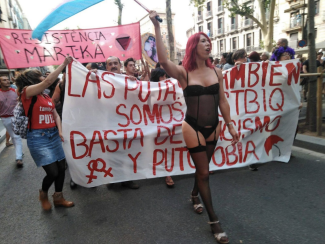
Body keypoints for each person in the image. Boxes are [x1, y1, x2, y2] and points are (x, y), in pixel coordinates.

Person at [149, 10, 239, 244]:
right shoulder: (183, 73)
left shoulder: (217, 71)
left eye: (209, 41)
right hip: (192, 128)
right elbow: (163, 60)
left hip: (215, 127)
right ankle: (214, 221)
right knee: (205, 173)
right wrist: (157, 27)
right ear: (193, 46)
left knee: (203, 169)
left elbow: (223, 101)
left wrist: (230, 125)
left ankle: (193, 194)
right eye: (203, 41)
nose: (208, 44)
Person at [15, 56, 74, 211]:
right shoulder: (27, 92)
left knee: (61, 168)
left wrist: (60, 131)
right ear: (32, 79)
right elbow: (48, 82)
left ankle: (59, 198)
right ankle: (43, 193)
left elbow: (55, 114)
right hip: (38, 138)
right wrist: (63, 64)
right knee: (53, 172)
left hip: (53, 135)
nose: (45, 77)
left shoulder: (46, 96)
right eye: (41, 76)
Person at [105, 56, 140, 189]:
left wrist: (134, 83)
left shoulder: (128, 79)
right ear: (106, 67)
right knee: (112, 151)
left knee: (127, 150)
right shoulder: (100, 79)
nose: (113, 65)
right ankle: (113, 178)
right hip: (108, 122)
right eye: (110, 64)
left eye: (115, 63)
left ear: (120, 65)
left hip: (126, 122)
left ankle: (127, 179)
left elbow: (138, 96)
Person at [150, 67, 176, 188]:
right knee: (162, 148)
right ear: (157, 78)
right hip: (157, 124)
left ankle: (168, 171)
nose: (165, 79)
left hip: (169, 123)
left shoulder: (170, 87)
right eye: (163, 77)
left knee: (169, 147)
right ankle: (167, 173)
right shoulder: (149, 89)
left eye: (166, 76)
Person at [0, 75, 23, 167]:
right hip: (5, 119)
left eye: (7, 79)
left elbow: (22, 100)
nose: (7, 81)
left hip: (16, 117)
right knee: (14, 137)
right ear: (0, 83)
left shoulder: (15, 91)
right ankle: (19, 150)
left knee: (16, 137)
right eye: (4, 80)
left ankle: (19, 158)